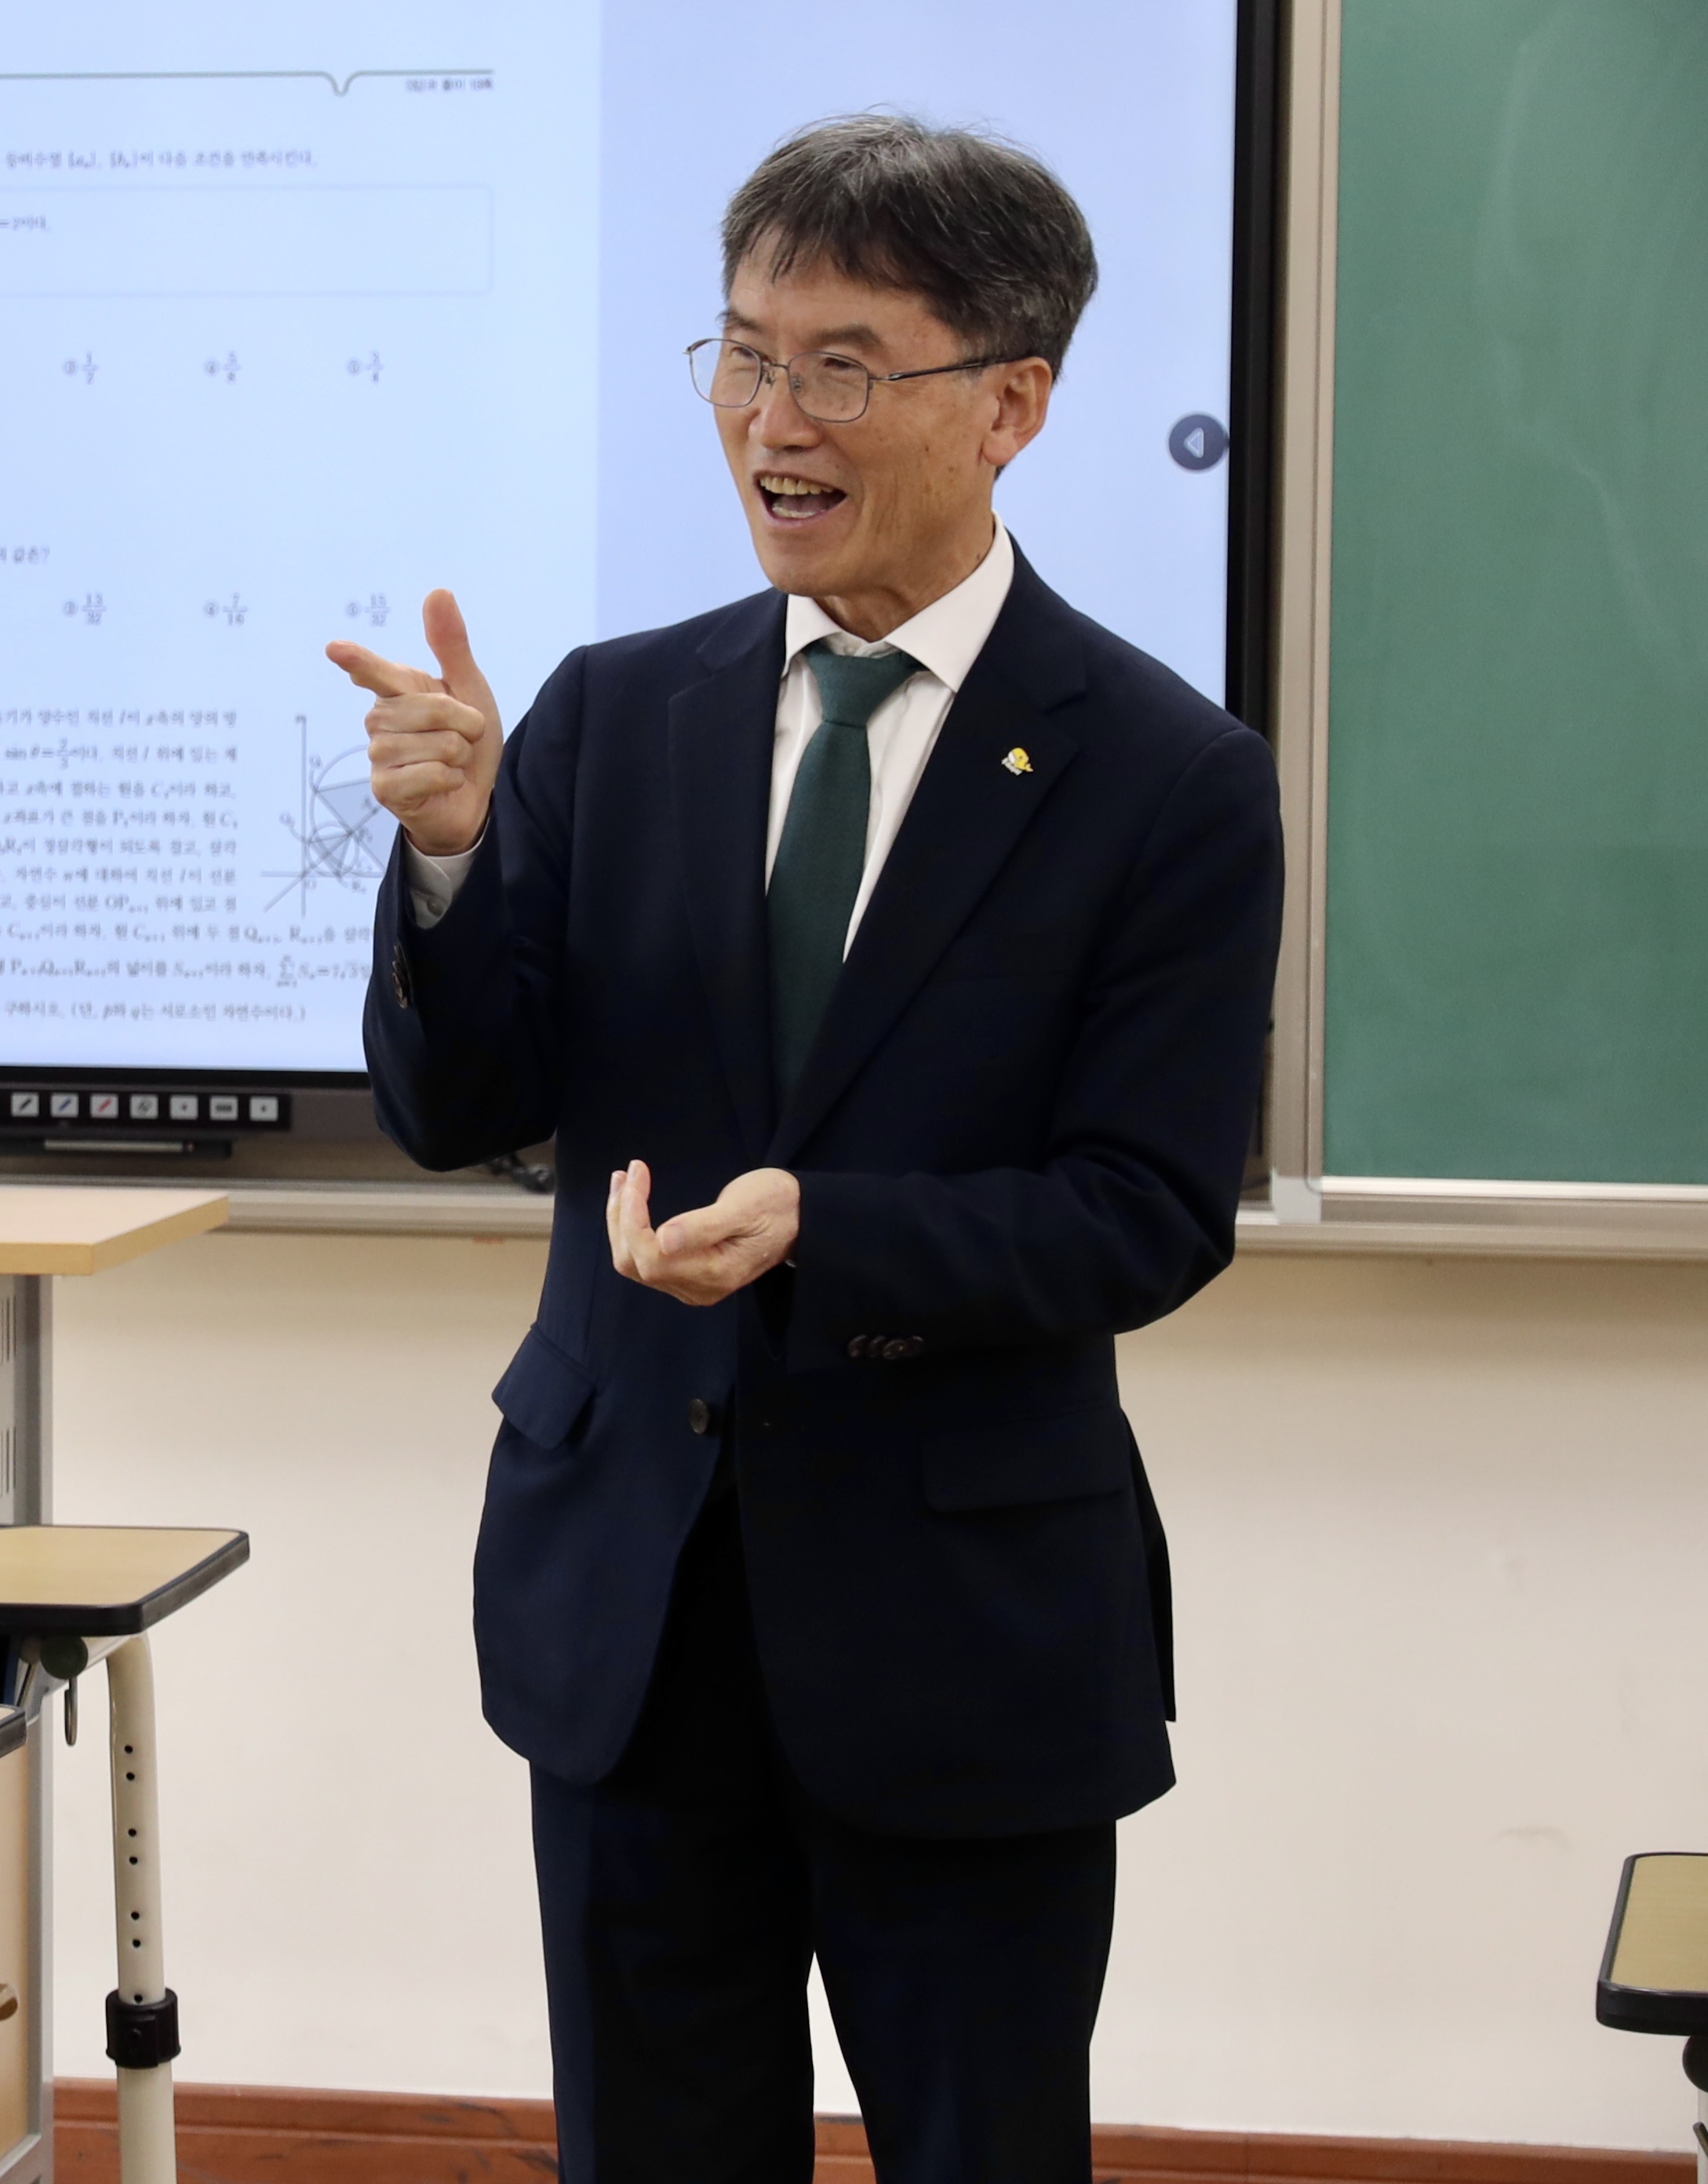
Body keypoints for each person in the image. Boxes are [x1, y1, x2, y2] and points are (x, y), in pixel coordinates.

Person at [328, 117, 1282, 2182]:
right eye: (745, 357)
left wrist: (816, 1236)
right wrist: (452, 855)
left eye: (844, 366)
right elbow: (461, 1104)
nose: (774, 419)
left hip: (964, 1631)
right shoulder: (614, 715)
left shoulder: (1165, 778)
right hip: (631, 1614)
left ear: (1011, 402)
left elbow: (1142, 1213)